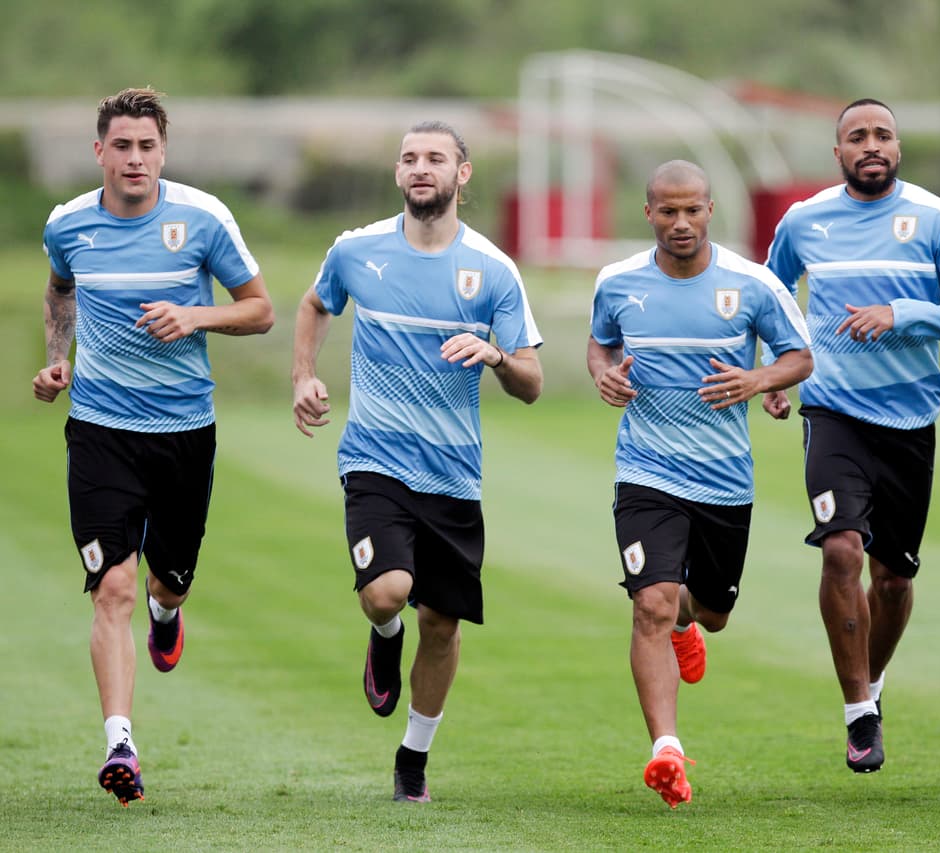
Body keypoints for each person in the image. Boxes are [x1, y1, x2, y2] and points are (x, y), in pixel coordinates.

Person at [32, 87, 275, 807]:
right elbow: (58, 290)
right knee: (113, 587)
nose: (134, 158)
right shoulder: (67, 224)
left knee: (166, 584)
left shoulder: (203, 219)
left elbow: (260, 309)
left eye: (147, 146)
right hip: (101, 430)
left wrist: (195, 314)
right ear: (99, 151)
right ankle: (121, 744)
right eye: (122, 145)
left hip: (182, 434)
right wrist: (57, 356)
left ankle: (168, 614)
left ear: (162, 152)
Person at [292, 121, 543, 803]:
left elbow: (531, 381)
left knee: (443, 623)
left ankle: (413, 760)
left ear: (464, 174)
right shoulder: (356, 250)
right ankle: (382, 633)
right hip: (374, 457)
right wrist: (303, 376)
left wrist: (494, 355)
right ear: (397, 173)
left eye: (435, 158)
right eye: (409, 158)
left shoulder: (492, 269)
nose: (420, 167)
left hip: (454, 473)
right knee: (386, 590)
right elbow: (316, 303)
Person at [763, 98, 940, 774]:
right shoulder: (804, 222)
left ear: (899, 147)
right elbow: (769, 302)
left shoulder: (935, 220)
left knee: (892, 581)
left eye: (883, 134)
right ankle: (858, 713)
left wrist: (902, 313)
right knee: (841, 550)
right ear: (837, 153)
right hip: (832, 413)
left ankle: (869, 683)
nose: (871, 144)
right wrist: (776, 374)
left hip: (910, 423)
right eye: (856, 136)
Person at [588, 160, 812, 809]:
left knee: (708, 612)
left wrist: (758, 381)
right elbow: (600, 346)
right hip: (645, 470)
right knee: (650, 603)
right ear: (648, 213)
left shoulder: (753, 284)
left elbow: (800, 357)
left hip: (723, 480)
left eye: (692, 210)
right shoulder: (618, 282)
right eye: (667, 211)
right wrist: (604, 374)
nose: (680, 223)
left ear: (711, 209)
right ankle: (667, 749)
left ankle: (690, 620)